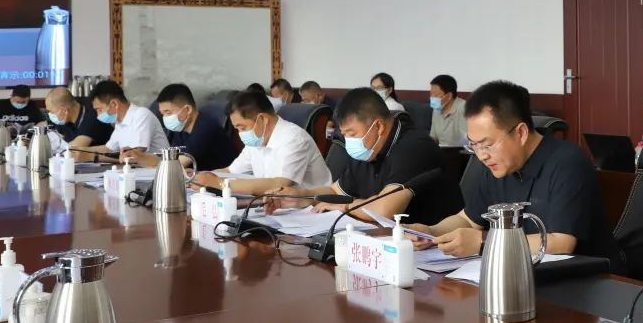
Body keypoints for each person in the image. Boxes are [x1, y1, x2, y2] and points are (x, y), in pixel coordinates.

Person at [406, 80, 621, 268]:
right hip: (523, 273)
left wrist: (484, 242)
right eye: (474, 146)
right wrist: (430, 232)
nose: (481, 155)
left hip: (587, 281)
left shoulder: (567, 162)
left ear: (521, 133)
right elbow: (468, 220)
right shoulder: (498, 165)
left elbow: (561, 243)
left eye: (487, 145)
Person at [266, 87, 463, 223]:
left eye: (352, 134)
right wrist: (300, 197)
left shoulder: (414, 147)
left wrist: (343, 207)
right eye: (345, 135)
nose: (349, 141)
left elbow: (384, 210)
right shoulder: (369, 148)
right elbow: (337, 192)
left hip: (436, 247)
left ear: (378, 127)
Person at [192, 91, 331, 194]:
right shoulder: (257, 139)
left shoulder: (294, 138)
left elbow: (280, 184)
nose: (241, 133)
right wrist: (198, 177)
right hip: (277, 204)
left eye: (243, 127)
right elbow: (230, 171)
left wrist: (220, 184)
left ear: (263, 119)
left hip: (311, 208)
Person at [119, 84, 234, 172]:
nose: (165, 118)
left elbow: (173, 166)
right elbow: (168, 159)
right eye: (163, 114)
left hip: (223, 185)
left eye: (168, 113)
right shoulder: (180, 128)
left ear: (187, 109)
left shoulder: (205, 128)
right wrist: (137, 155)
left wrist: (142, 160)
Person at [82, 80, 169, 158]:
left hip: (157, 169)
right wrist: (81, 150)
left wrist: (91, 157)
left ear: (114, 104)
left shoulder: (141, 115)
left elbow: (134, 156)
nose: (98, 115)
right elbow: (109, 149)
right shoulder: (119, 122)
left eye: (99, 110)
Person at [44, 87, 112, 149]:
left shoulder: (92, 118)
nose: (50, 115)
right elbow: (47, 127)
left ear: (64, 111)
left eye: (51, 112)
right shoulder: (66, 118)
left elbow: (73, 149)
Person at [429, 74, 467, 146]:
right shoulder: (436, 109)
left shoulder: (463, 108)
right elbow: (433, 137)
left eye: (436, 95)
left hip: (460, 151)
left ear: (449, 96)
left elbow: (467, 140)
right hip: (441, 150)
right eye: (431, 94)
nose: (432, 98)